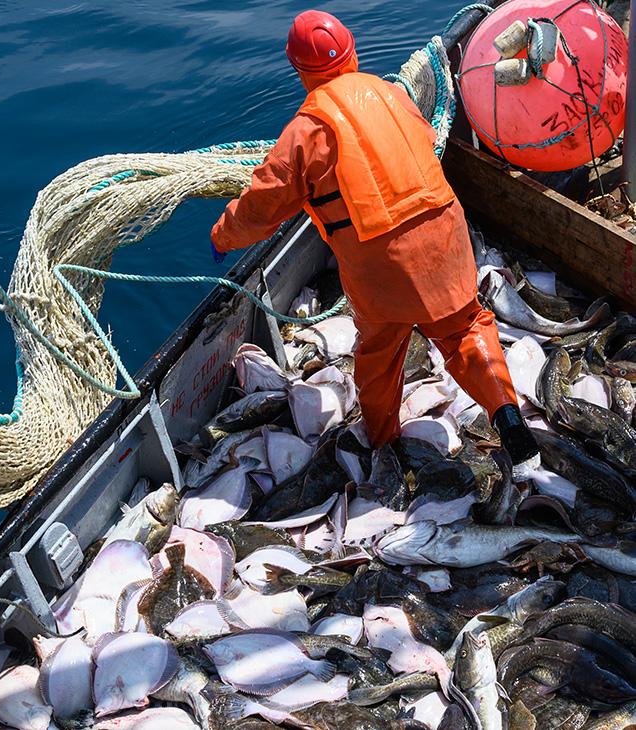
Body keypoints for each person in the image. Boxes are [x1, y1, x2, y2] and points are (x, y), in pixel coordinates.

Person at [210, 10, 539, 465]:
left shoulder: (305, 130)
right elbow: (423, 142)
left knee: (380, 354)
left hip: (383, 263)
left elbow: (261, 207)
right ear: (353, 52)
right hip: (445, 232)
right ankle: (506, 414)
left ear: (300, 71)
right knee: (465, 327)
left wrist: (223, 235)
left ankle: (384, 443)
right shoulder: (393, 95)